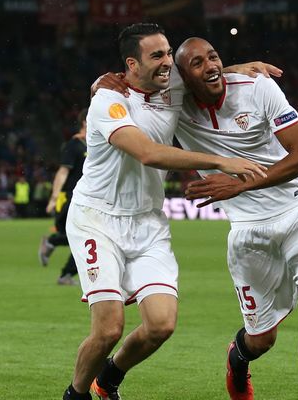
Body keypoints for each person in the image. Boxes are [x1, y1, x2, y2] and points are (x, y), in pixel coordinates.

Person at [96, 36, 298, 400]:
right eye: (197, 64)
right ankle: (237, 360)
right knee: (260, 340)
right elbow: (124, 83)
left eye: (214, 57)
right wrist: (101, 82)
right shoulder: (174, 101)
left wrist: (241, 183)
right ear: (182, 79)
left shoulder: (259, 88)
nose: (210, 66)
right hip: (247, 231)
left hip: (297, 211)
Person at [62, 24, 267, 400]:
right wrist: (220, 162)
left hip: (148, 222)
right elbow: (147, 152)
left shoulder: (170, 83)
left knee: (161, 325)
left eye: (169, 53)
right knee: (108, 329)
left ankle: (108, 380)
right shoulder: (108, 100)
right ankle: (75, 395)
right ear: (131, 64)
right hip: (97, 219)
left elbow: (202, 72)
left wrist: (242, 67)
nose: (168, 63)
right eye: (157, 56)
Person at [39, 110, 87, 286]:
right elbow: (63, 171)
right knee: (83, 236)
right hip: (70, 198)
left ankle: (65, 271)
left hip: (88, 200)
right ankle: (64, 270)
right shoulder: (75, 145)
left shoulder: (95, 145)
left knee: (84, 237)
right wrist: (54, 197)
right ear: (84, 122)